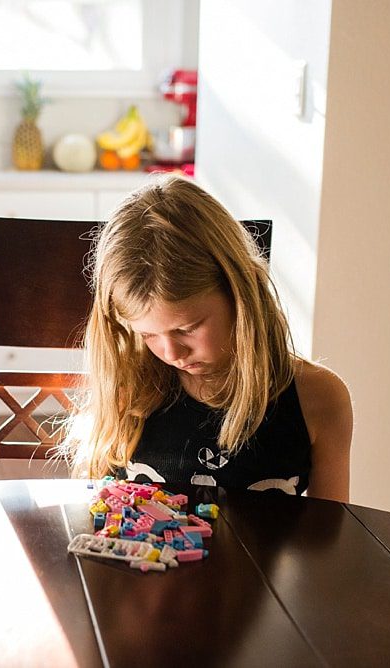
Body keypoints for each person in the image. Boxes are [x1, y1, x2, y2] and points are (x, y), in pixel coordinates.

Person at [63, 175, 352, 502]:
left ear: (238, 293)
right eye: (148, 334)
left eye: (187, 328)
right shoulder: (130, 389)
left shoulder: (319, 399)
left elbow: (331, 539)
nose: (171, 352)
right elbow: (96, 514)